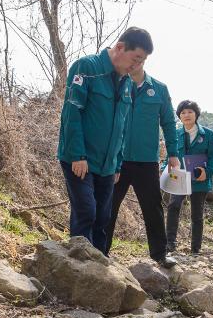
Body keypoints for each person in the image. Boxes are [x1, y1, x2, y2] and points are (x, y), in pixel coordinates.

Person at [57, 27, 152, 253]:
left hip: (107, 165)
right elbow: (72, 113)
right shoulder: (87, 67)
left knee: (102, 218)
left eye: (142, 62)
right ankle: (79, 264)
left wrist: (117, 163)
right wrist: (78, 155)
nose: (137, 66)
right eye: (136, 59)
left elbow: (122, 126)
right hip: (80, 159)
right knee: (86, 212)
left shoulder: (127, 82)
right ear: (120, 47)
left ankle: (100, 266)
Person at [103, 65, 179, 268]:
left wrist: (173, 153)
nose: (134, 63)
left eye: (139, 57)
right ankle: (100, 250)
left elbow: (169, 123)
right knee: (108, 205)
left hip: (146, 160)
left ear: (144, 59)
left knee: (153, 208)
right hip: (117, 160)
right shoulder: (117, 84)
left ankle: (160, 254)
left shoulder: (159, 89)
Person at [166, 100, 213, 256]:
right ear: (179, 116)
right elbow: (170, 156)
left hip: (199, 179)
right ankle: (170, 243)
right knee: (173, 206)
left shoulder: (208, 134)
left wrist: (207, 172)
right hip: (179, 176)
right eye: (183, 113)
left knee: (197, 214)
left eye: (190, 111)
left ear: (196, 114)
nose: (186, 115)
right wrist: (165, 169)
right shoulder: (175, 134)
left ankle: (195, 248)